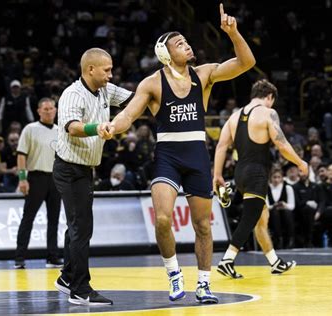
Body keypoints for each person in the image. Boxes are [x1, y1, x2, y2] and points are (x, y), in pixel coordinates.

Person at [107, 4, 255, 304]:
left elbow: (246, 62)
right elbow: (129, 115)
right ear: (165, 54)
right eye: (179, 44)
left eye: (186, 42)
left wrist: (233, 32)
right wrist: (112, 126)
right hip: (168, 156)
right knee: (163, 219)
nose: (187, 45)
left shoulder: (204, 74)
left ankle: (203, 284)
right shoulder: (152, 83)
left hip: (197, 155)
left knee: (202, 225)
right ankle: (173, 272)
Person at [52, 48, 134, 306]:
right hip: (69, 168)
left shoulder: (106, 90)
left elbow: (136, 99)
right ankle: (80, 289)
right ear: (90, 69)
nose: (111, 74)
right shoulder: (72, 94)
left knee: (77, 225)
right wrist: (96, 128)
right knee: (81, 228)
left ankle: (66, 277)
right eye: (107, 70)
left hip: (85, 169)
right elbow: (72, 127)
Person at [213, 79, 308, 278]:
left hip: (240, 173)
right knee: (251, 217)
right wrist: (300, 163)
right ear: (269, 97)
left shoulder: (234, 116)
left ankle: (274, 262)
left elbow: (221, 146)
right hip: (257, 172)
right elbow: (281, 144)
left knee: (261, 218)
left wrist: (218, 175)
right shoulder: (268, 113)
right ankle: (227, 260)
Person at [14, 98, 63, 269]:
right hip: (36, 177)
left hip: (56, 179)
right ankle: (19, 257)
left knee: (54, 220)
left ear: (56, 110)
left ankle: (52, 256)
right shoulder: (30, 129)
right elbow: (21, 155)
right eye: (45, 109)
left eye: (51, 108)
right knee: (28, 218)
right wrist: (22, 178)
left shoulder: (61, 130)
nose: (49, 111)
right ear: (38, 111)